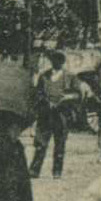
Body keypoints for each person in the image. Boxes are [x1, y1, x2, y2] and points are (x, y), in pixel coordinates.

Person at [29, 51, 74, 179]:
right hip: (46, 115)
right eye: (54, 60)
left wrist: (66, 97)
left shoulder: (69, 77)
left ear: (63, 62)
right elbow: (37, 93)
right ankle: (34, 170)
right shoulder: (44, 76)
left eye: (59, 60)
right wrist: (45, 102)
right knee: (41, 144)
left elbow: (77, 94)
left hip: (62, 116)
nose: (57, 62)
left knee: (60, 144)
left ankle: (57, 172)